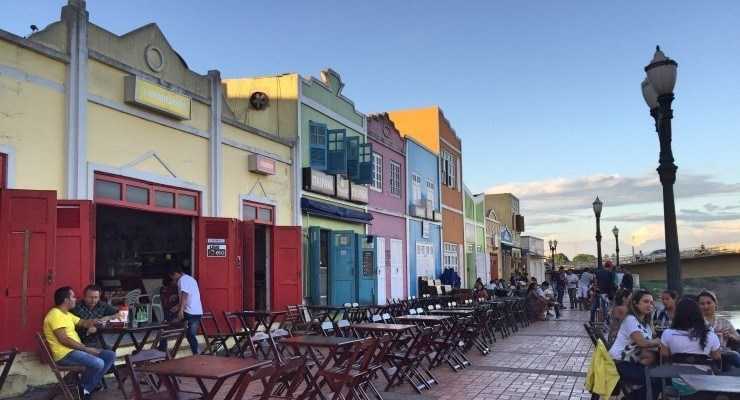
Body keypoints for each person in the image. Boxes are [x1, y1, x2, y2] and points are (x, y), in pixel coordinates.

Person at [44, 287, 116, 400]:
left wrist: (96, 321)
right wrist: (86, 349)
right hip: (65, 354)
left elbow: (82, 322)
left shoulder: (66, 314)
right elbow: (64, 340)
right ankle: (84, 392)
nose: (75, 299)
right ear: (66, 300)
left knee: (109, 355)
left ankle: (84, 389)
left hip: (75, 351)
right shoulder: (55, 315)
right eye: (73, 297)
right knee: (98, 363)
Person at [660, 297, 722, 396]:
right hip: (705, 385)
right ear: (698, 313)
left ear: (677, 314)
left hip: (678, 386)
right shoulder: (710, 334)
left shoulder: (667, 334)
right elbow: (718, 360)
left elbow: (664, 360)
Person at [608, 289, 661, 400]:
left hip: (630, 363)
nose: (649, 305)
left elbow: (649, 343)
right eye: (646, 301)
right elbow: (642, 342)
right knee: (656, 379)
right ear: (635, 303)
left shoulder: (645, 323)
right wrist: (659, 341)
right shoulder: (630, 319)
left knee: (659, 375)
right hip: (619, 364)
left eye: (651, 302)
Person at [697, 290, 740, 371]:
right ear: (698, 306)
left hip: (723, 354)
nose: (706, 306)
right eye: (702, 304)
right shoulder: (695, 322)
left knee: (733, 355)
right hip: (703, 354)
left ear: (715, 304)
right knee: (734, 355)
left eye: (709, 303)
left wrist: (731, 336)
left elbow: (738, 337)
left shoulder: (724, 322)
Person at [168, 266, 203, 354]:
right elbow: (189, 294)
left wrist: (180, 310)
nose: (173, 280)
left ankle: (161, 349)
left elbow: (185, 295)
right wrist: (177, 301)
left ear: (176, 274)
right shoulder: (190, 279)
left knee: (167, 324)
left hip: (189, 311)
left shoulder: (182, 280)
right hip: (197, 311)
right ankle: (196, 352)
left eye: (172, 277)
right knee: (190, 335)